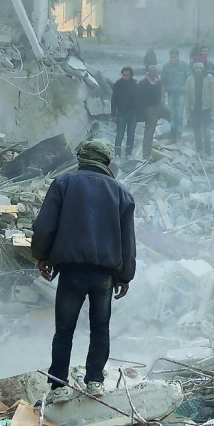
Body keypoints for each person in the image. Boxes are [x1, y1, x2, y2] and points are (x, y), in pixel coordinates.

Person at [31, 140, 136, 402]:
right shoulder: (121, 193)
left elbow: (45, 227)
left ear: (82, 158)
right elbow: (128, 240)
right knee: (100, 328)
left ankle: (58, 385)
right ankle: (95, 381)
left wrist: (41, 255)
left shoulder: (63, 183)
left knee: (64, 329)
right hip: (104, 276)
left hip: (71, 272)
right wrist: (126, 275)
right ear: (107, 162)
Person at [185, 60, 214, 158]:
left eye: (200, 68)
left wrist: (212, 110)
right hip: (195, 110)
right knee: (197, 133)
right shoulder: (189, 79)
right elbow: (187, 97)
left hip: (205, 109)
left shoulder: (209, 78)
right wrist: (188, 114)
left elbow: (213, 95)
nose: (198, 70)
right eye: (196, 68)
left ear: (202, 69)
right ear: (193, 69)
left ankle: (208, 153)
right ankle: (199, 152)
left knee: (207, 133)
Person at [138, 66, 167, 158]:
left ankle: (174, 142)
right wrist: (143, 110)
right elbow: (139, 98)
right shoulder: (143, 83)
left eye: (155, 72)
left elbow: (162, 95)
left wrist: (161, 106)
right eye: (152, 72)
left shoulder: (160, 82)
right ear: (148, 72)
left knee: (174, 118)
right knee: (149, 132)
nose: (154, 73)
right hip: (149, 109)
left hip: (158, 107)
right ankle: (145, 154)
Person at [111, 66, 140, 158]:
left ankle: (128, 153)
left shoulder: (135, 84)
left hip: (133, 112)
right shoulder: (118, 84)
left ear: (131, 75)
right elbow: (113, 100)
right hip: (121, 112)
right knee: (120, 133)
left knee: (131, 134)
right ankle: (117, 153)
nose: (125, 77)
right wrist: (113, 115)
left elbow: (139, 100)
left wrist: (139, 114)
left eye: (127, 75)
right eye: (123, 75)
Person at [160, 49, 189, 143]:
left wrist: (186, 89)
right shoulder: (166, 67)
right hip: (171, 93)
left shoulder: (184, 66)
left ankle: (179, 134)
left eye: (174, 57)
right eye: (171, 57)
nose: (173, 59)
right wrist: (162, 94)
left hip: (181, 93)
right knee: (172, 114)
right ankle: (172, 133)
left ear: (178, 56)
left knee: (179, 114)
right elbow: (163, 81)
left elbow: (189, 78)